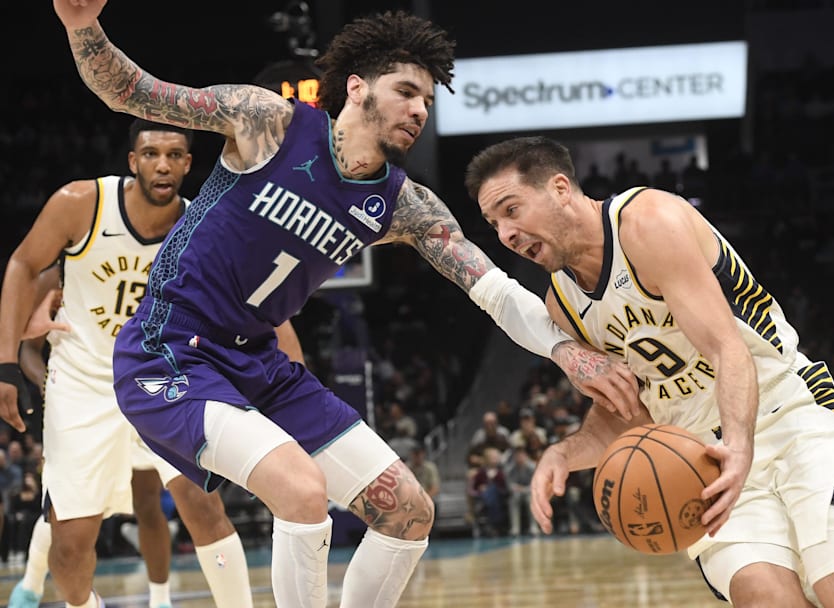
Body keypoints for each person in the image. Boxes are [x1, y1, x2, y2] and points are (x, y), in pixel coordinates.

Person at [32, 4, 638, 607]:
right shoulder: (266, 122)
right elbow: (135, 93)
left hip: (259, 362)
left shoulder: (406, 206)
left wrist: (565, 350)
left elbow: (495, 292)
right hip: (169, 351)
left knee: (409, 511)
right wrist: (82, 26)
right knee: (301, 490)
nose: (418, 110)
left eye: (426, 100)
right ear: (357, 87)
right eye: (405, 91)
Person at [465, 136, 834, 607]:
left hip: (786, 411)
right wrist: (565, 453)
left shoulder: (648, 222)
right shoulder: (562, 305)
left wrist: (739, 447)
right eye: (494, 225)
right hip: (699, 457)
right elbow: (626, 409)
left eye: (512, 210)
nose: (507, 234)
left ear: (560, 188)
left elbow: (726, 349)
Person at [0, 120, 263, 608]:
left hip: (161, 377)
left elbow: (243, 305)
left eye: (173, 155)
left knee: (201, 506)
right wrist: (6, 367)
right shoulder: (81, 205)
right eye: (150, 154)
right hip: (83, 383)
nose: (161, 164)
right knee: (70, 546)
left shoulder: (200, 225)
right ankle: (58, 594)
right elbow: (22, 265)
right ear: (132, 161)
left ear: (187, 164)